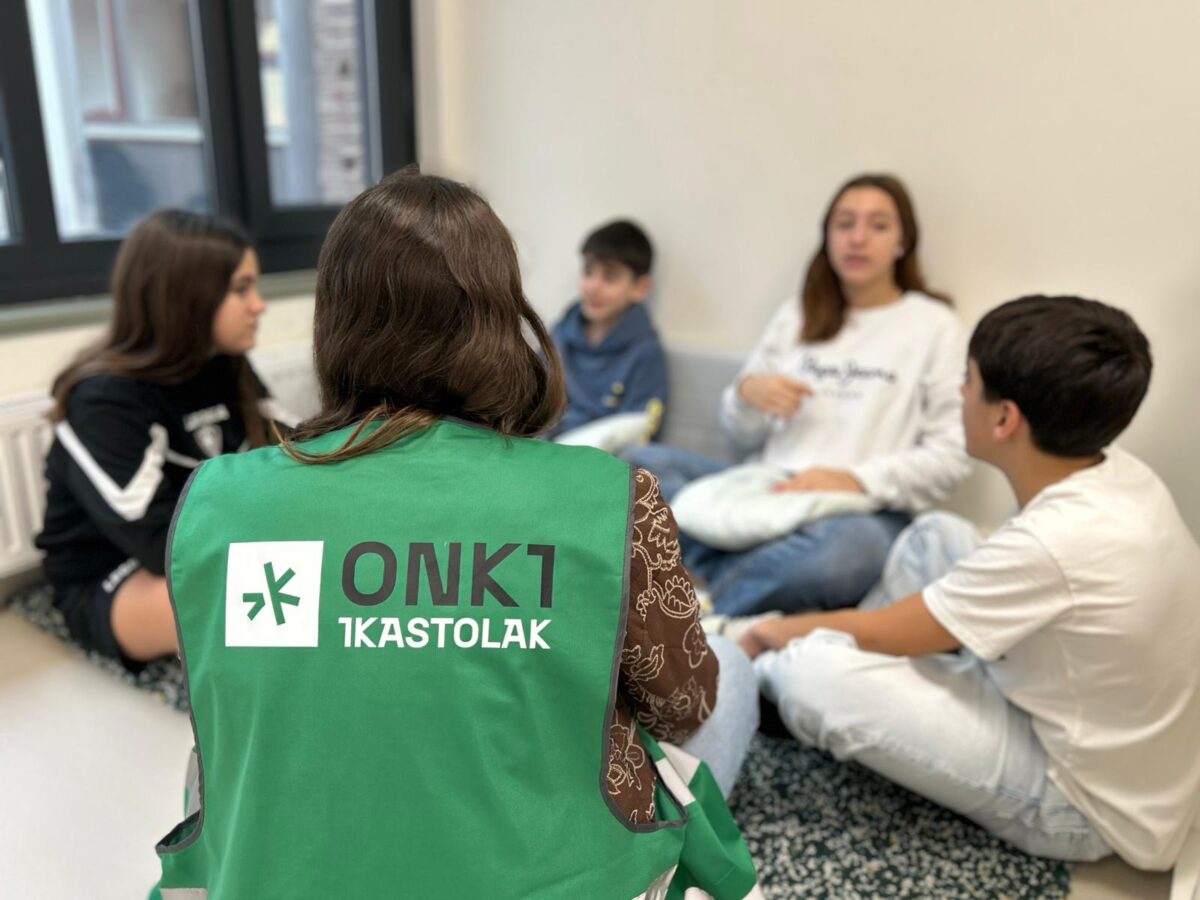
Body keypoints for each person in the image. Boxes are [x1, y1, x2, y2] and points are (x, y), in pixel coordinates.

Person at [153, 170, 760, 899]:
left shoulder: (218, 501)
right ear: (501, 316)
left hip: (275, 877)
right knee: (730, 665)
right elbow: (683, 707)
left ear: (333, 317)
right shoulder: (611, 498)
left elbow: (230, 704)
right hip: (568, 879)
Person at [741, 296, 1200, 869]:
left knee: (806, 670)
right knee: (934, 535)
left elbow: (882, 631)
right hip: (1090, 722)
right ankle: (862, 691)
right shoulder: (1119, 473)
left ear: (1005, 419)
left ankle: (768, 679)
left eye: (968, 380)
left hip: (1082, 803)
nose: (960, 393)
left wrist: (762, 635)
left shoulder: (1056, 540)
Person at [626, 174, 970, 616]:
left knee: (844, 556)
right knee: (637, 464)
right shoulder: (798, 316)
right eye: (844, 224)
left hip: (859, 511)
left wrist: (854, 479)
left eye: (879, 225)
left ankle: (702, 596)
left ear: (903, 241)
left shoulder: (934, 326)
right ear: (827, 236)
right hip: (766, 488)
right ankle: (739, 579)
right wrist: (746, 396)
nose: (858, 238)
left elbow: (951, 457)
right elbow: (740, 439)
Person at [36, 210, 285, 667]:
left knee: (308, 580)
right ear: (187, 296)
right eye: (241, 289)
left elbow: (286, 455)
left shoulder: (224, 362)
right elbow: (160, 546)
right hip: (112, 571)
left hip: (206, 545)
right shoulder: (104, 399)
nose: (259, 305)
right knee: (264, 607)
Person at [547, 219, 668, 438]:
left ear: (640, 288)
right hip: (546, 445)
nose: (593, 287)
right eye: (588, 272)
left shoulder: (645, 353)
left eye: (610, 277)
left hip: (601, 453)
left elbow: (641, 431)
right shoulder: (560, 334)